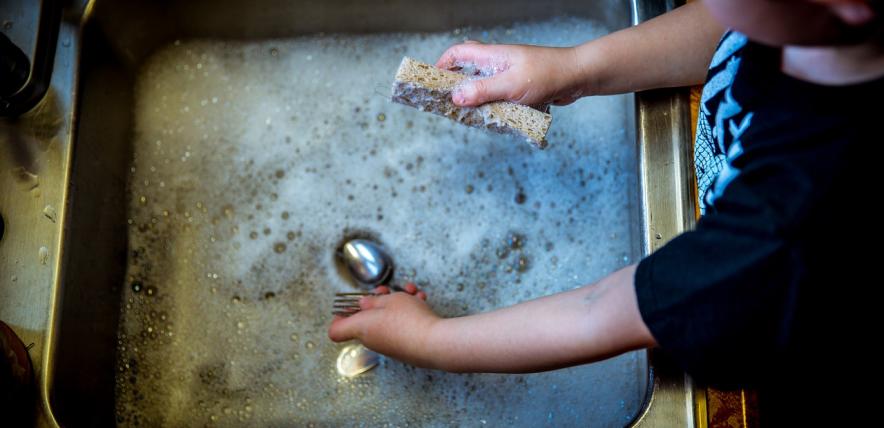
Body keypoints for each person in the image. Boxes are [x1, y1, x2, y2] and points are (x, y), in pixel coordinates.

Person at [330, 0, 881, 424]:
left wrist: (431, 342)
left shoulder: (791, 229)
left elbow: (603, 310)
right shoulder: (818, 31)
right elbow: (723, 29)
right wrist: (573, 69)